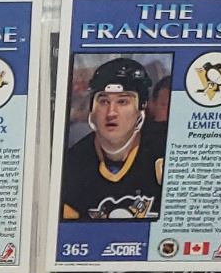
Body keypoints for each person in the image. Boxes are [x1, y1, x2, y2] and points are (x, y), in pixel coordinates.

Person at [59, 56, 166, 221]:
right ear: (92, 108)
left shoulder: (165, 146)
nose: (111, 113)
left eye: (122, 101)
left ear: (141, 107)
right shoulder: (73, 165)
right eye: (104, 101)